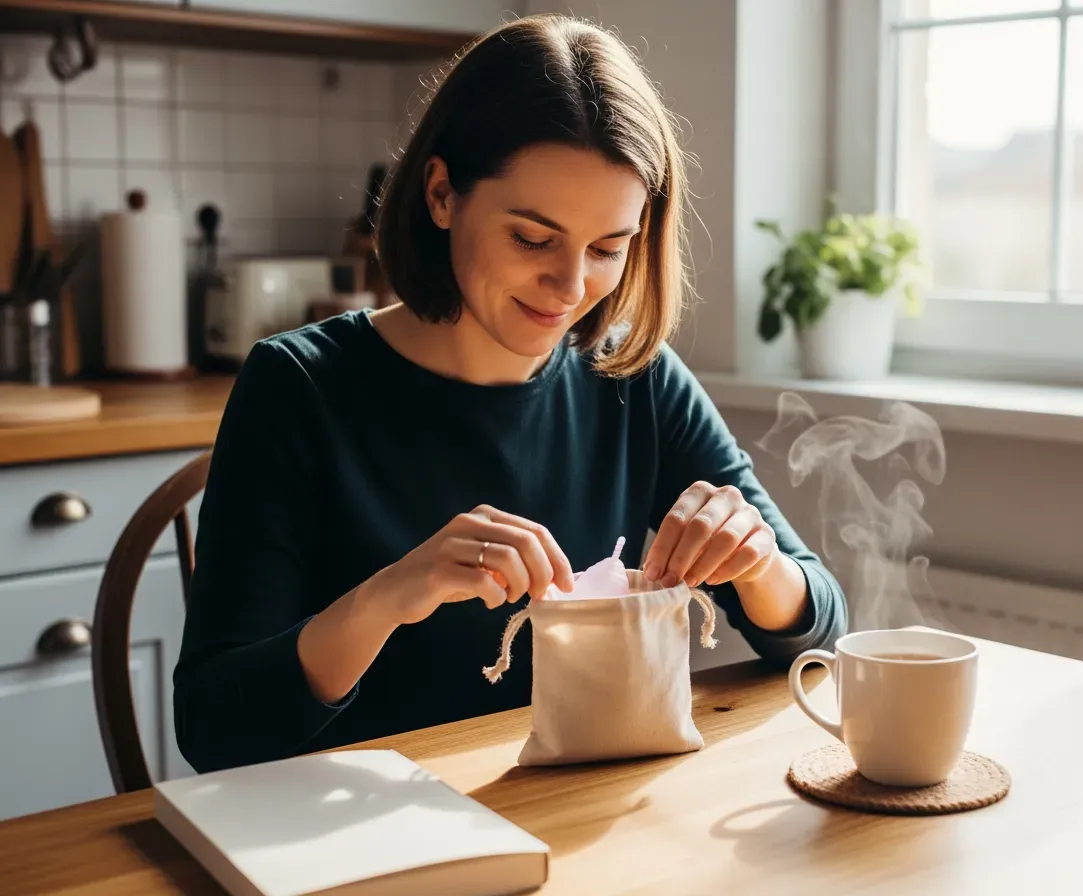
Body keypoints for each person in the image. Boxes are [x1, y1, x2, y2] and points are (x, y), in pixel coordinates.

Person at [173, 13, 848, 775]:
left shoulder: (635, 377)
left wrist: (759, 563)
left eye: (608, 249)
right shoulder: (298, 387)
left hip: (569, 812)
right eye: (532, 238)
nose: (571, 287)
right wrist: (387, 598)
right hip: (358, 826)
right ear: (441, 194)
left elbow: (822, 637)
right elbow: (213, 727)